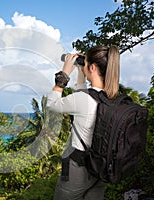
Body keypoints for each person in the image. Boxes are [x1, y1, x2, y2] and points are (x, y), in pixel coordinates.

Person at [46, 45, 120, 200]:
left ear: (92, 67)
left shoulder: (82, 100)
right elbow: (85, 99)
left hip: (78, 168)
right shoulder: (113, 99)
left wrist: (65, 73)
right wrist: (82, 72)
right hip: (101, 166)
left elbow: (51, 104)